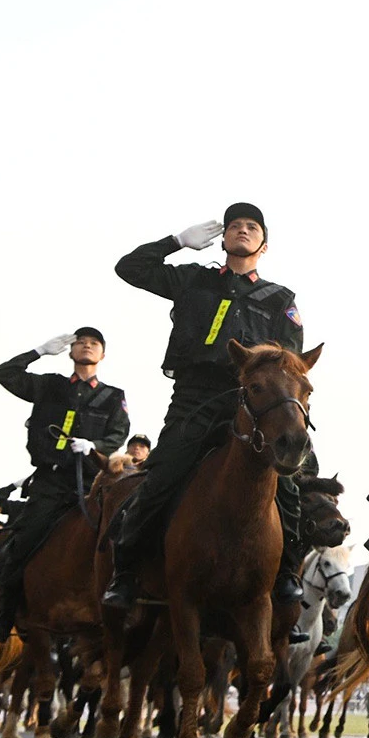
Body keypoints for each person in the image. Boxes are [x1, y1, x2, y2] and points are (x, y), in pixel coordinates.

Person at [101, 204, 310, 619]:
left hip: (253, 402)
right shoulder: (193, 278)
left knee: (288, 484)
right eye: (234, 225)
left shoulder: (279, 298)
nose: (242, 230)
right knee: (161, 477)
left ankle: (286, 572)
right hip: (195, 398)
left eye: (252, 227)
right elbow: (130, 268)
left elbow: (293, 359)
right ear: (223, 238)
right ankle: (125, 573)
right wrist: (177, 241)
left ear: (263, 245)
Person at [0, 328, 130, 640]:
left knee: (123, 534)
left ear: (102, 355)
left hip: (91, 482)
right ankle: (5, 613)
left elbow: (119, 433)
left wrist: (94, 445)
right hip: (50, 482)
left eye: (94, 344)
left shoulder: (113, 396)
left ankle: (125, 602)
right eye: (80, 343)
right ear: (70, 352)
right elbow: (4, 374)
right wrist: (38, 351)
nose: (87, 346)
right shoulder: (49, 385)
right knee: (23, 541)